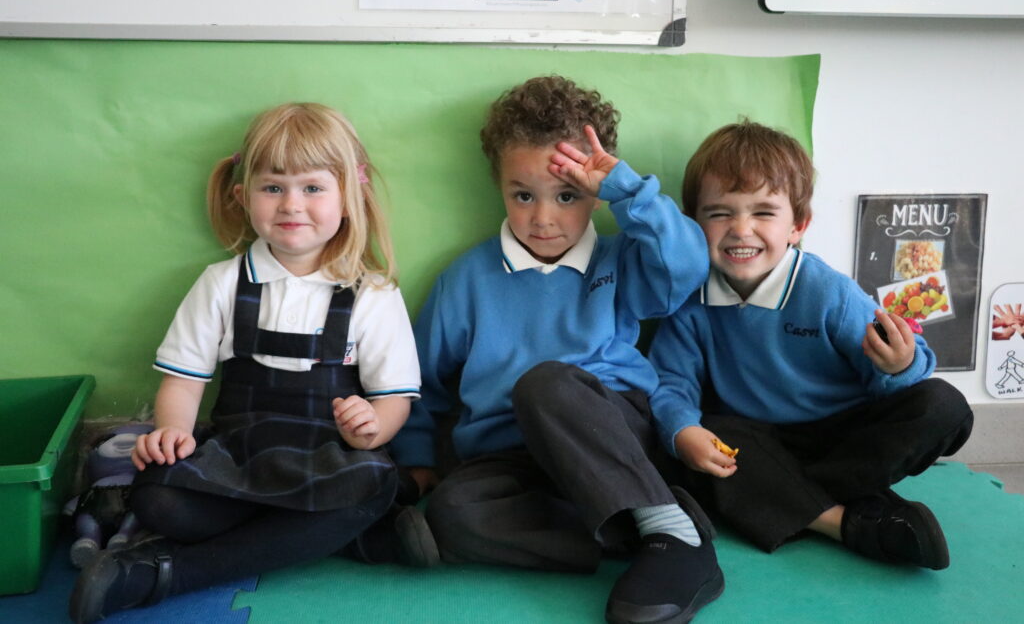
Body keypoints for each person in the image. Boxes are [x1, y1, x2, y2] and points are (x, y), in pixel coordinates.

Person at [70, 102, 432, 623]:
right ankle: (350, 539)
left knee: (372, 482)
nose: (292, 205)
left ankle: (162, 575)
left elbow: (393, 399)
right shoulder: (220, 284)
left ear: (350, 196)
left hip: (327, 460)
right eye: (273, 187)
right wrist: (172, 433)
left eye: (312, 188)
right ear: (243, 197)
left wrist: (371, 430)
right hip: (238, 455)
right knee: (156, 497)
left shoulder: (372, 293)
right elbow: (182, 383)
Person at [389, 76, 723, 623]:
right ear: (499, 186)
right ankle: (638, 530)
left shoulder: (619, 260)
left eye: (567, 196)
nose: (543, 218)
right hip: (508, 458)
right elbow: (420, 378)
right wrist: (420, 460)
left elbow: (686, 267)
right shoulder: (467, 280)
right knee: (451, 514)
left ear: (594, 194)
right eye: (524, 195)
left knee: (545, 383)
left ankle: (674, 538)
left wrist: (630, 192)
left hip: (605, 428)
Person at [648, 119, 974, 569]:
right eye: (720, 213)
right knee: (703, 438)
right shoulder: (688, 299)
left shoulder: (827, 292)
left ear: (797, 225)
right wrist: (683, 430)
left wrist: (898, 365)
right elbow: (670, 382)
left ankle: (783, 497)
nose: (742, 229)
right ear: (693, 224)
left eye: (763, 212)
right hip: (755, 440)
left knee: (944, 404)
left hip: (843, 438)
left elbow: (898, 383)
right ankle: (850, 522)